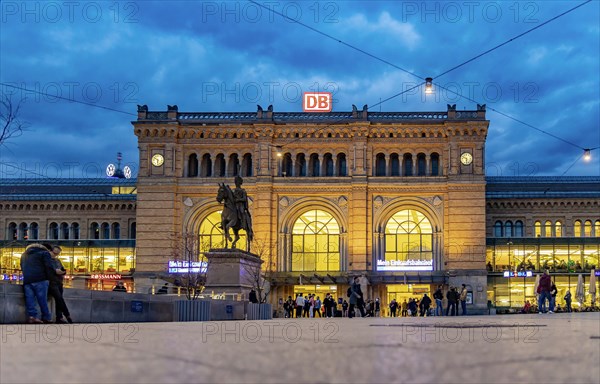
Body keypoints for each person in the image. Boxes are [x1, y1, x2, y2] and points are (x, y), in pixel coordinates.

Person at [20, 243, 54, 324]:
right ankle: (46, 317)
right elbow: (49, 266)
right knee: (42, 300)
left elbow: (22, 266)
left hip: (27, 280)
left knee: (30, 300)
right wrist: (50, 279)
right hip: (40, 279)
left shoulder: (24, 255)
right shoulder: (44, 253)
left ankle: (32, 317)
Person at [46, 245, 73, 324]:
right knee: (59, 299)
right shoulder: (47, 260)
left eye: (57, 254)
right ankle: (67, 315)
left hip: (58, 282)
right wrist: (58, 272)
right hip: (52, 282)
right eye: (55, 253)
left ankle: (60, 317)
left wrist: (62, 272)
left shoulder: (57, 261)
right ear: (50, 251)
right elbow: (53, 271)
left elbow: (62, 270)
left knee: (59, 299)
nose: (55, 255)